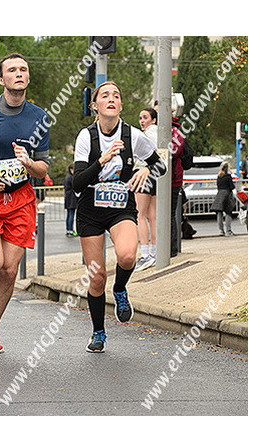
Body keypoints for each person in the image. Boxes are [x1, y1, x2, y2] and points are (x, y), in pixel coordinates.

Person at [73, 81, 166, 353]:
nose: (111, 99)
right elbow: (78, 182)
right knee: (97, 276)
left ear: (121, 105)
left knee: (127, 256)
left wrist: (146, 170)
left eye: (116, 95)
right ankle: (98, 332)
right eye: (105, 95)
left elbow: (160, 165)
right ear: (95, 105)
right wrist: (101, 161)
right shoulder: (86, 137)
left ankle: (121, 289)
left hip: (121, 206)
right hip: (90, 208)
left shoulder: (133, 135)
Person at [0, 53, 50, 353]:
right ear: (1, 79)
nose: (19, 73)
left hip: (20, 199)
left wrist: (28, 163)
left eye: (23, 69)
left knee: (9, 271)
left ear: (28, 77)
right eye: (12, 70)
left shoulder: (39, 117)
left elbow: (43, 169)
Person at [134, 107, 158, 271]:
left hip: (143, 173)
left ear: (153, 119)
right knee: (152, 216)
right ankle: (154, 252)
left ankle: (145, 254)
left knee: (140, 215)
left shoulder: (146, 135)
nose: (142, 121)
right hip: (155, 174)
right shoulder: (160, 133)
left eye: (145, 117)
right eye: (140, 118)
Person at [170, 116, 185, 257]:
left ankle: (171, 249)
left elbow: (174, 152)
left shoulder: (175, 132)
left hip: (173, 179)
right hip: (170, 178)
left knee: (169, 214)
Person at [211, 162, 236, 236]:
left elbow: (218, 186)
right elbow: (232, 186)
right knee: (228, 212)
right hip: (227, 195)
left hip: (219, 194)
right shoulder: (228, 176)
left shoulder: (219, 176)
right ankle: (228, 231)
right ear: (227, 168)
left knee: (219, 213)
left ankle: (221, 231)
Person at [64, 163, 78, 237]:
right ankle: (70, 230)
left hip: (68, 198)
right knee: (71, 215)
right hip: (71, 198)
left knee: (69, 214)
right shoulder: (71, 177)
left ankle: (69, 230)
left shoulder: (68, 176)